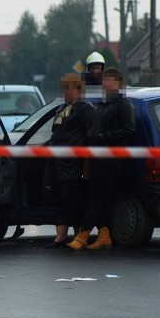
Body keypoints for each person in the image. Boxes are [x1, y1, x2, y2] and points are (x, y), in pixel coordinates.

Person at [67, 67, 135, 250]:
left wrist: (103, 137)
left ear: (118, 84)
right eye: (104, 81)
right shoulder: (104, 104)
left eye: (109, 81)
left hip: (112, 159)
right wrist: (91, 135)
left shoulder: (123, 104)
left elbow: (129, 129)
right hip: (97, 156)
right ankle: (104, 235)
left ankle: (82, 235)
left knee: (97, 196)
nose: (105, 83)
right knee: (97, 196)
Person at [45, 74, 94, 248]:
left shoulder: (84, 108)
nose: (67, 92)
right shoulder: (61, 109)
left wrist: (78, 147)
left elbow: (89, 134)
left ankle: (79, 236)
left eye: (70, 88)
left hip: (74, 162)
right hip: (58, 161)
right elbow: (55, 132)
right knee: (59, 197)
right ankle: (60, 236)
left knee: (74, 198)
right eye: (65, 88)